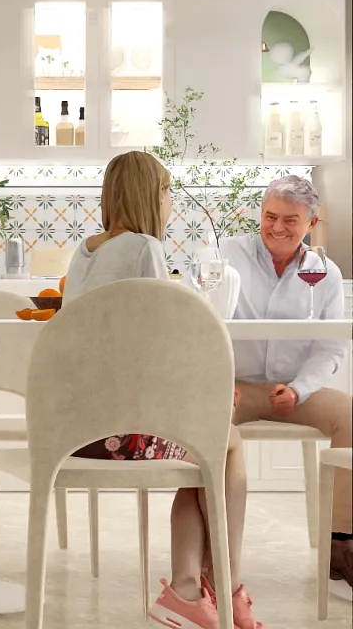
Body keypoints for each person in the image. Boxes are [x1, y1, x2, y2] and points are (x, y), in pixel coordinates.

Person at [63, 151, 267, 629]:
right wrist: (214, 387)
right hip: (122, 432)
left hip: (78, 428)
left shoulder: (84, 251)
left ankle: (191, 592)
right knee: (224, 446)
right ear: (150, 196)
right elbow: (164, 341)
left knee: (201, 451)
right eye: (167, 191)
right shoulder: (143, 248)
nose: (170, 201)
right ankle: (224, 581)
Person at [211, 175, 351, 586]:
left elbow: (330, 347)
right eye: (270, 216)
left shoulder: (325, 273)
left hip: (292, 389)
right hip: (233, 386)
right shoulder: (224, 254)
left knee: (351, 415)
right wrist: (217, 378)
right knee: (207, 426)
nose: (276, 227)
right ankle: (216, 553)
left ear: (312, 222)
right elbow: (199, 321)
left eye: (290, 220)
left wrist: (300, 389)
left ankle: (340, 544)